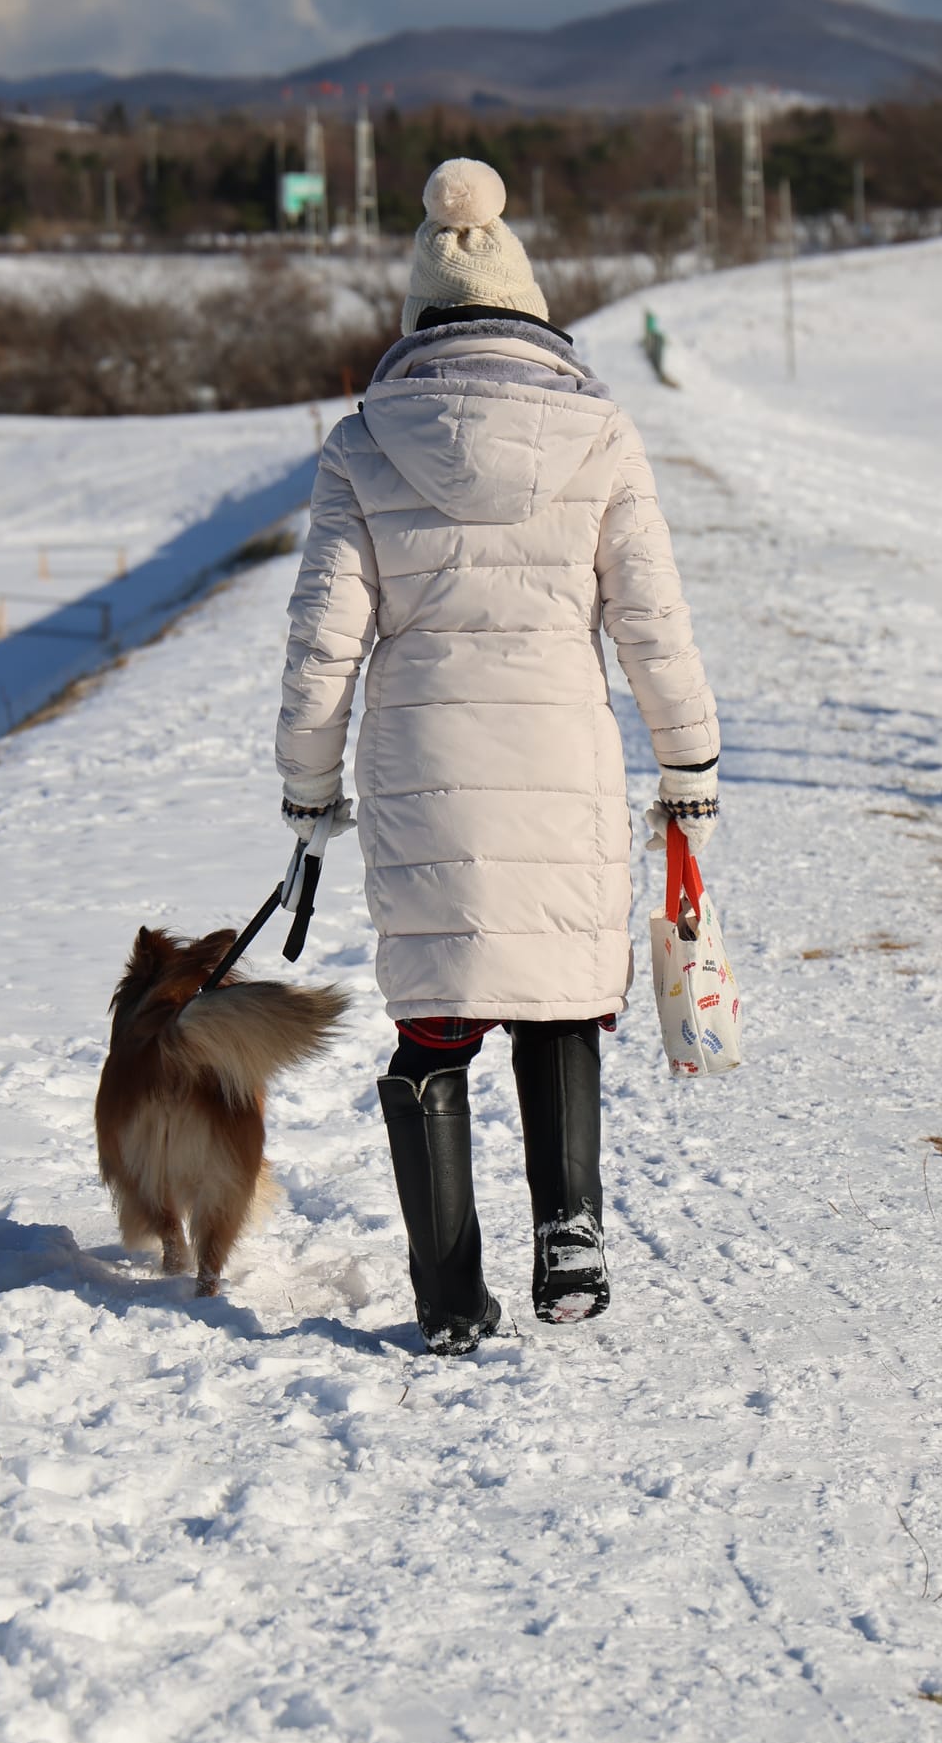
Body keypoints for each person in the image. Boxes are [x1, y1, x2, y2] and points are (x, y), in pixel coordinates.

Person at [274, 156, 719, 1353]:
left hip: (423, 771)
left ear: (415, 323)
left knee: (437, 1018)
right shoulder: (601, 436)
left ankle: (447, 1290)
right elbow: (650, 621)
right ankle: (568, 1232)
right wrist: (690, 765)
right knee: (558, 997)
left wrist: (309, 786)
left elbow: (322, 647)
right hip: (560, 755)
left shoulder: (362, 442)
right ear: (532, 315)